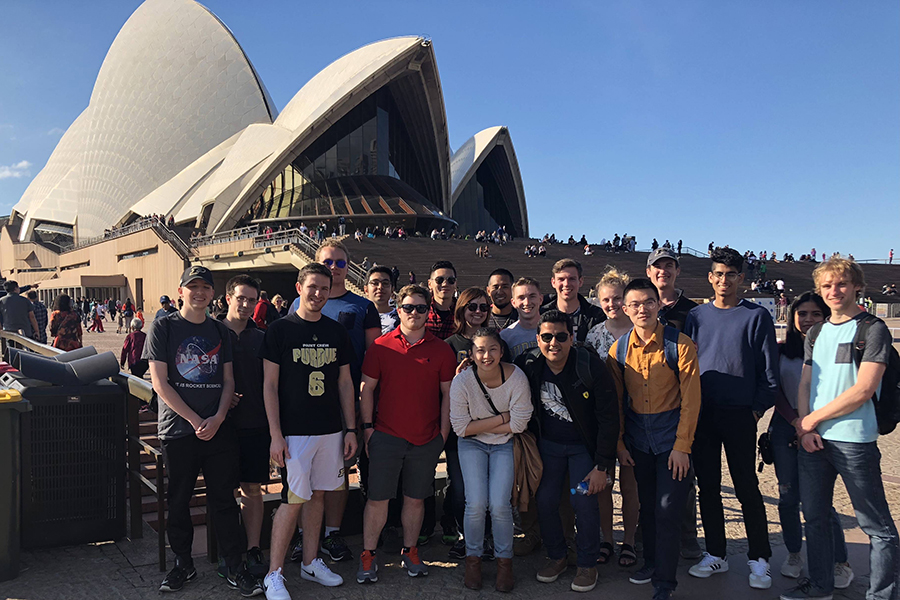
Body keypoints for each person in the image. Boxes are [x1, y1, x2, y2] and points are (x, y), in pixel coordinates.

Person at [782, 259, 899, 600]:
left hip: (854, 439)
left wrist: (811, 421)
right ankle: (820, 586)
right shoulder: (817, 332)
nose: (834, 291)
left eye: (842, 284)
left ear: (857, 286)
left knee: (876, 526)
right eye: (827, 286)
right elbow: (806, 384)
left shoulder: (872, 328)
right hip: (814, 439)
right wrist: (804, 428)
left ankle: (881, 594)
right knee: (815, 517)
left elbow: (863, 389)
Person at [144, 266, 258, 595]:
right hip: (179, 430)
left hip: (219, 430)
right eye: (192, 286)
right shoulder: (164, 327)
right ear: (180, 291)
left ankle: (234, 566)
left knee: (224, 499)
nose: (199, 292)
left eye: (205, 287)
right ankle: (184, 563)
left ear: (213, 294)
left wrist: (219, 417)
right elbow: (160, 383)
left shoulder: (219, 331)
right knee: (178, 499)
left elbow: (228, 381)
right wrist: (195, 421)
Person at [684, 247, 778, 589]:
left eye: (731, 275)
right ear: (710, 277)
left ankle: (760, 558)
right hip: (703, 414)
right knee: (707, 487)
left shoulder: (756, 317)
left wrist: (754, 410)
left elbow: (770, 372)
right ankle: (716, 554)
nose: (724, 281)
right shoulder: (696, 316)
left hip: (740, 415)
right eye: (718, 274)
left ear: (741, 278)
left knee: (746, 487)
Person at [261, 263, 357, 598]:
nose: (318, 294)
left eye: (324, 288)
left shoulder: (336, 332)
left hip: (330, 429)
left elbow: (345, 383)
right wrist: (275, 433)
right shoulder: (280, 330)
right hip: (295, 432)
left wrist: (350, 428)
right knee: (292, 499)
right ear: (299, 287)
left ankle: (311, 561)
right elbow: (269, 386)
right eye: (312, 286)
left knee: (319, 494)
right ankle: (274, 573)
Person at [608, 279, 702, 600]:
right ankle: (650, 563)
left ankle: (665, 582)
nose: (642, 309)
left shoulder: (680, 345)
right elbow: (617, 404)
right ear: (625, 309)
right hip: (637, 442)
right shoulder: (618, 350)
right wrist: (620, 444)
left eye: (648, 302)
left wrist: (682, 447)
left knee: (667, 509)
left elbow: (691, 401)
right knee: (647, 505)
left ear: (658, 304)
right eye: (634, 304)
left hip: (671, 440)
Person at [357, 284, 456, 584]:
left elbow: (447, 394)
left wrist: (442, 433)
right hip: (386, 435)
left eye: (421, 308)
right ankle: (368, 555)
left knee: (415, 500)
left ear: (429, 311)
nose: (415, 313)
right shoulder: (381, 346)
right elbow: (367, 389)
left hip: (426, 438)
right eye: (408, 307)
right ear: (398, 309)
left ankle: (410, 551)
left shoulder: (441, 349)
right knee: (378, 499)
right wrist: (368, 431)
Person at [516, 310, 619, 593]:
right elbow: (500, 375)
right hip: (548, 448)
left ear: (571, 338)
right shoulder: (530, 363)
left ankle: (587, 563)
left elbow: (609, 417)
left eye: (561, 337)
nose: (553, 343)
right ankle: (557, 555)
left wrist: (602, 466)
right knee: (546, 501)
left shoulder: (589, 365)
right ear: (537, 339)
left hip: (582, 450)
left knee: (582, 501)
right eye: (547, 337)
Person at [770, 292, 853, 589]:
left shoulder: (836, 347)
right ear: (792, 318)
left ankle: (839, 559)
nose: (807, 320)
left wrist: (811, 424)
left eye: (815, 314)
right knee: (788, 496)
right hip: (786, 426)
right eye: (801, 314)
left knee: (819, 500)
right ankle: (794, 553)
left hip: (824, 428)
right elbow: (776, 391)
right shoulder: (781, 350)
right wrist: (796, 421)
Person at [450, 328, 533, 592]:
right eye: (480, 350)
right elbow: (461, 428)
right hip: (471, 445)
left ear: (502, 351)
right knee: (475, 503)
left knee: (499, 505)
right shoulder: (462, 381)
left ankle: (504, 563)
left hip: (504, 446)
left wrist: (483, 425)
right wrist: (501, 418)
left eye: (493, 349)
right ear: (472, 354)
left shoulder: (516, 377)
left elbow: (520, 424)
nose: (487, 356)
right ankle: (472, 561)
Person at [443, 287, 512, 559]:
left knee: (492, 492)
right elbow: (441, 387)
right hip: (462, 429)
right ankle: (467, 536)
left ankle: (488, 538)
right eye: (472, 307)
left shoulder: (498, 342)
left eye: (484, 307)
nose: (478, 312)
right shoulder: (450, 345)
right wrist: (456, 376)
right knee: (462, 489)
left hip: (495, 431)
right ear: (461, 309)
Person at [645, 248, 702, 558]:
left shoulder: (691, 312)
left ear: (677, 271)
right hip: (646, 406)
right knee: (647, 476)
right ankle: (647, 533)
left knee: (683, 474)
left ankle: (687, 535)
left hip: (680, 406)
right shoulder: (640, 307)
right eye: (657, 267)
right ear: (649, 271)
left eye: (669, 266)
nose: (663, 271)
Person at [584, 267, 640, 568]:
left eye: (617, 298)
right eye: (606, 300)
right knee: (603, 483)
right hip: (604, 419)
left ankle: (629, 541)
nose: (611, 305)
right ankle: (607, 539)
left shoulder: (640, 329)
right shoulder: (594, 334)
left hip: (636, 419)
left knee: (630, 487)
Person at [220, 275, 269, 579]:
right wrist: (221, 398)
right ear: (228, 298)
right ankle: (229, 551)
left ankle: (252, 548)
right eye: (241, 298)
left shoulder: (262, 337)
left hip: (255, 423)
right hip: (220, 425)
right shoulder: (212, 333)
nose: (246, 305)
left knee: (252, 488)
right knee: (223, 491)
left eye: (252, 300)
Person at [539, 259, 606, 344]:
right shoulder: (541, 314)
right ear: (553, 282)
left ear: (580, 281)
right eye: (561, 279)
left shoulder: (596, 315)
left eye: (572, 279)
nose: (566, 284)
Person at [501, 277, 543, 361]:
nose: (527, 302)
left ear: (541, 299)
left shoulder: (556, 331)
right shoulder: (505, 336)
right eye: (521, 297)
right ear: (513, 303)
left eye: (532, 296)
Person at [426, 261, 458, 340]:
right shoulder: (420, 310)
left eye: (450, 280)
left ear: (455, 283)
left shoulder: (463, 311)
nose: (445, 284)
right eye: (439, 280)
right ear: (430, 284)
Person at [364, 266, 399, 335]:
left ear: (392, 290)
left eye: (385, 283)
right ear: (366, 290)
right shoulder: (358, 317)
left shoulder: (403, 318)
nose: (380, 287)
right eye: (375, 283)